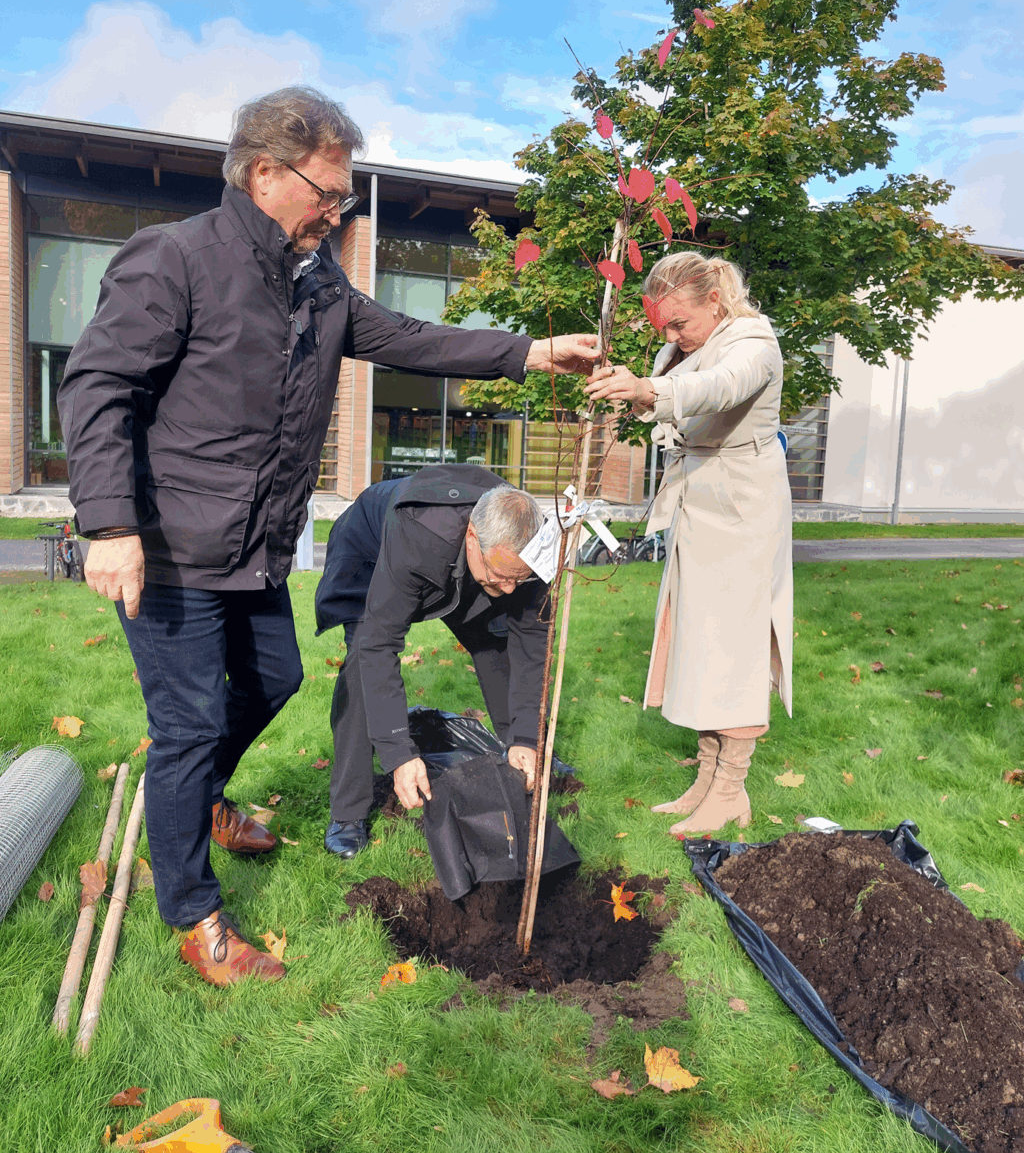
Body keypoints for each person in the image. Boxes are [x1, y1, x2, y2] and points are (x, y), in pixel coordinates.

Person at [57, 85, 599, 988]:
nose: (337, 210)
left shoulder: (318, 288)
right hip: (172, 547)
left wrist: (533, 353)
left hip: (255, 550)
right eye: (327, 191)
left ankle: (195, 800)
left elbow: (413, 338)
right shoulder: (177, 259)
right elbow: (95, 385)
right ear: (265, 173)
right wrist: (110, 522)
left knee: (275, 677)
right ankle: (195, 913)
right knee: (187, 721)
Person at [587, 251, 792, 835]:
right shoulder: (683, 348)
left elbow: (722, 388)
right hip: (698, 505)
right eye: (664, 326)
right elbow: (679, 398)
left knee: (736, 651)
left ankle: (732, 791)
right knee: (700, 646)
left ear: (716, 301)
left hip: (743, 510)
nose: (671, 335)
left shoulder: (754, 341)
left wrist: (649, 390)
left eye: (679, 322)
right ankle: (706, 779)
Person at [314, 466, 546, 858]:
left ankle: (518, 751)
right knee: (360, 662)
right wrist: (399, 755)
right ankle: (347, 811)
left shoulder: (529, 544)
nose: (509, 588)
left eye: (518, 579)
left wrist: (527, 734)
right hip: (370, 549)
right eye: (501, 576)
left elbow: (531, 641)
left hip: (458, 558)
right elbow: (379, 646)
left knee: (494, 640)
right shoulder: (419, 534)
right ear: (473, 538)